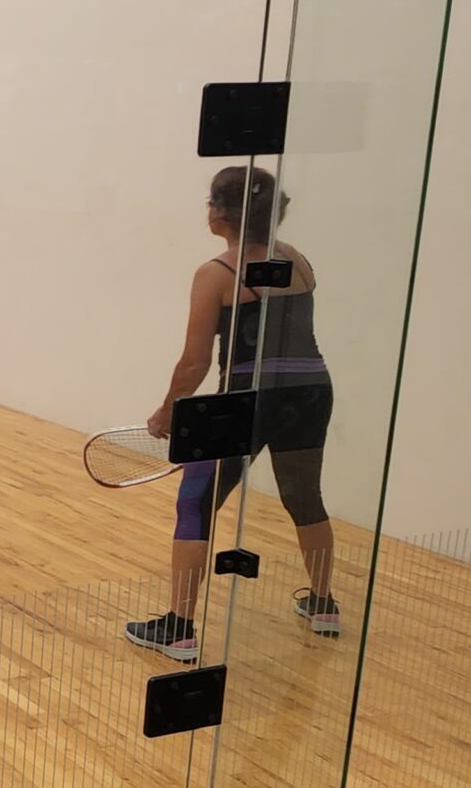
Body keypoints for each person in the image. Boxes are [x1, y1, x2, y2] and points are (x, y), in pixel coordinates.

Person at [125, 165, 339, 662]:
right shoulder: (299, 261)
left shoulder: (215, 274)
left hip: (243, 400)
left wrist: (167, 412)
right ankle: (324, 604)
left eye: (210, 204)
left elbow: (195, 360)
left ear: (221, 213)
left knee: (195, 503)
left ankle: (179, 629)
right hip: (310, 393)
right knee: (304, 497)